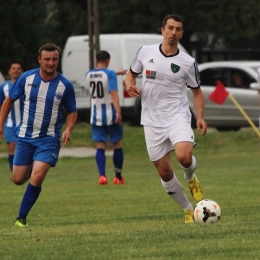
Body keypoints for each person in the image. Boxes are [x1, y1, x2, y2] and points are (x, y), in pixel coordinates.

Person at [124, 14, 207, 223]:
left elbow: (197, 92)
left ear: (182, 34)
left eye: (178, 29)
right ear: (162, 30)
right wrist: (129, 85)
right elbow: (130, 74)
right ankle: (189, 209)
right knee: (164, 171)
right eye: (170, 28)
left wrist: (201, 118)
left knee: (184, 157)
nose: (173, 33)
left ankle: (190, 177)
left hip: (177, 116)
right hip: (151, 120)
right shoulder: (145, 52)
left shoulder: (188, 63)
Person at [0, 43, 77, 227]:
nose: (51, 63)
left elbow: (72, 112)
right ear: (39, 60)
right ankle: (32, 168)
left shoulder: (65, 85)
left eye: (55, 59)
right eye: (47, 59)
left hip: (49, 138)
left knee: (38, 175)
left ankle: (21, 217)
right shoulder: (27, 78)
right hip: (25, 137)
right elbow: (9, 100)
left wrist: (68, 129)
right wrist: (0, 124)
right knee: (18, 179)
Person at [86, 50, 124, 185]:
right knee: (117, 144)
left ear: (97, 60)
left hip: (96, 114)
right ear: (107, 61)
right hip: (111, 113)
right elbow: (113, 92)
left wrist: (117, 73)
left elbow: (102, 76)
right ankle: (118, 176)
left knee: (100, 146)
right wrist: (118, 112)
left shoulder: (88, 74)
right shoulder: (110, 74)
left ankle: (102, 176)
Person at [0, 62, 23, 171]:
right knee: (12, 146)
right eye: (13, 68)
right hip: (9, 123)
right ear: (9, 71)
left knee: (25, 148)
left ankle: (27, 171)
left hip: (24, 123)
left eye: (18, 68)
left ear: (21, 71)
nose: (16, 70)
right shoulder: (3, 87)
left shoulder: (26, 86)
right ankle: (14, 172)